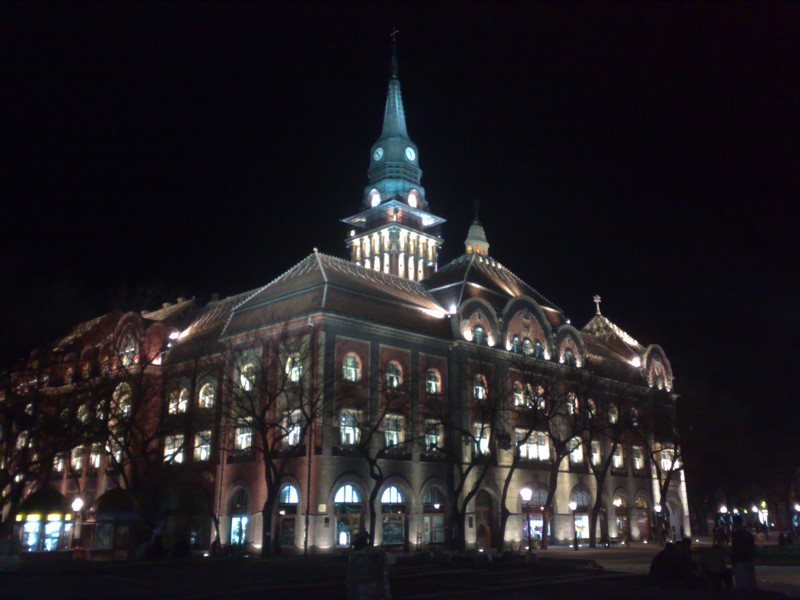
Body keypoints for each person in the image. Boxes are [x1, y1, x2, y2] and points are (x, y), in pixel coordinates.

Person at [730, 514, 757, 590]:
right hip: (748, 560)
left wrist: (733, 561)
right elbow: (752, 547)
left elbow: (734, 549)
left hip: (739, 561)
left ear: (735, 523)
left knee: (741, 584)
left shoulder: (736, 535)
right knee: (749, 583)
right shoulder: (748, 534)